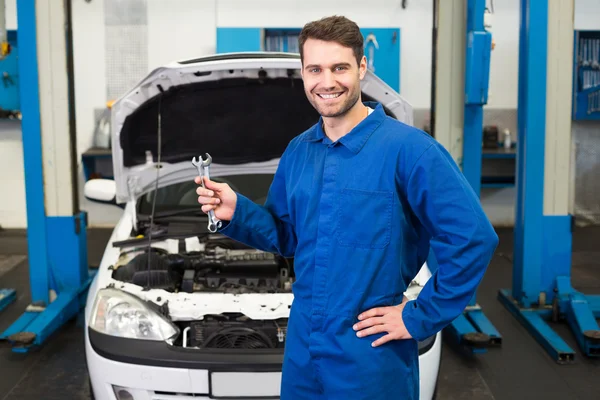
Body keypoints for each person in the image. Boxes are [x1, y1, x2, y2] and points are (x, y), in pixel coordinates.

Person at [195, 15, 499, 400]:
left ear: (362, 68)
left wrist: (419, 316)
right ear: (303, 74)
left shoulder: (410, 150)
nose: (327, 82)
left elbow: (473, 239)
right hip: (304, 348)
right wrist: (238, 210)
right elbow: (288, 235)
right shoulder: (299, 152)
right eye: (315, 69)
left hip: (370, 353)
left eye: (340, 67)